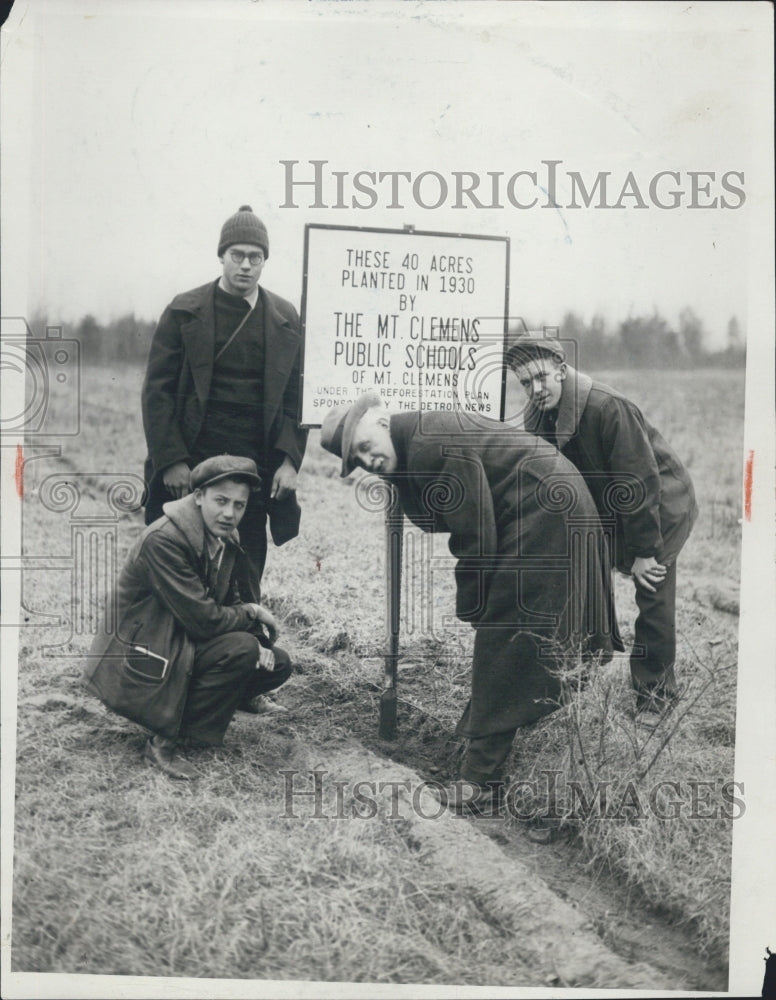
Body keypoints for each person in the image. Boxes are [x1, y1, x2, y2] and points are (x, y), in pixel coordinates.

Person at [320, 392, 616, 813]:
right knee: (511, 635)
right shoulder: (415, 438)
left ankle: (479, 781)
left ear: (383, 423)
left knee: (506, 637)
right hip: (547, 505)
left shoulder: (428, 445)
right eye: (356, 459)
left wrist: (475, 606)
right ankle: (492, 742)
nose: (367, 460)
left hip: (547, 513)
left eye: (366, 446)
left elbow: (475, 536)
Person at [506, 336, 698, 720]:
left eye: (542, 377)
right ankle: (577, 672)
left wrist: (645, 552)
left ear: (561, 370)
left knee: (653, 595)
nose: (536, 389)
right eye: (526, 383)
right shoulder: (536, 416)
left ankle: (655, 698)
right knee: (582, 585)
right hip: (605, 512)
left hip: (658, 508)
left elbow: (639, 483)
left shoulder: (608, 408)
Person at [83, 455, 293, 780]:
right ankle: (164, 738)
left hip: (179, 638)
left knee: (275, 662)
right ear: (197, 496)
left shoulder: (225, 536)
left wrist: (255, 636)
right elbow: (204, 620)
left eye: (239, 505)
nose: (229, 513)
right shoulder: (163, 540)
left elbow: (227, 600)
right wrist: (251, 613)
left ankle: (212, 705)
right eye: (220, 501)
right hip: (139, 652)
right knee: (243, 650)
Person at [141, 205, 307, 591]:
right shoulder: (184, 311)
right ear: (221, 256)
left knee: (245, 568)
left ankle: (242, 643)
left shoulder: (285, 318)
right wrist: (172, 461)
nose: (246, 265)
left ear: (264, 261)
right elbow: (157, 392)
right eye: (237, 255)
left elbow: (294, 398)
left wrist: (289, 460)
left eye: (255, 257)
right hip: (193, 458)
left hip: (256, 465)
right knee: (177, 561)